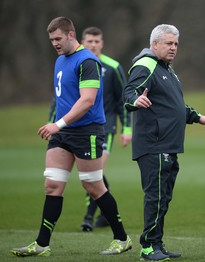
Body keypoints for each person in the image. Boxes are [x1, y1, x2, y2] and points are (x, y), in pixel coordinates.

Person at [10, 17, 132, 257]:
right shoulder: (60, 60)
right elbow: (61, 98)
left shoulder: (87, 61)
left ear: (71, 35)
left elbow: (86, 101)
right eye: (51, 39)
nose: (54, 43)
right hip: (63, 133)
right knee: (52, 185)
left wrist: (59, 123)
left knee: (93, 186)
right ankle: (42, 243)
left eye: (58, 38)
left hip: (86, 132)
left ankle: (122, 238)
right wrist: (54, 121)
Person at [123, 24, 205, 261]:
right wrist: (136, 100)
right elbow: (128, 93)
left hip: (168, 145)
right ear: (154, 44)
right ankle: (148, 248)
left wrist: (198, 117)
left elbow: (174, 106)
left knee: (163, 199)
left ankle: (157, 244)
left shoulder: (166, 69)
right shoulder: (145, 65)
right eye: (169, 43)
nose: (174, 48)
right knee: (155, 197)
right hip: (153, 145)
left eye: (176, 43)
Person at [79, 26, 132, 231]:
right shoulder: (76, 64)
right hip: (79, 128)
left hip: (105, 128)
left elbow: (123, 100)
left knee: (95, 172)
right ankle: (105, 214)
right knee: (91, 174)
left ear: (102, 43)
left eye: (96, 41)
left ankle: (88, 218)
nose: (93, 45)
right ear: (83, 42)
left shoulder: (112, 66)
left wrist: (126, 128)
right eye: (89, 41)